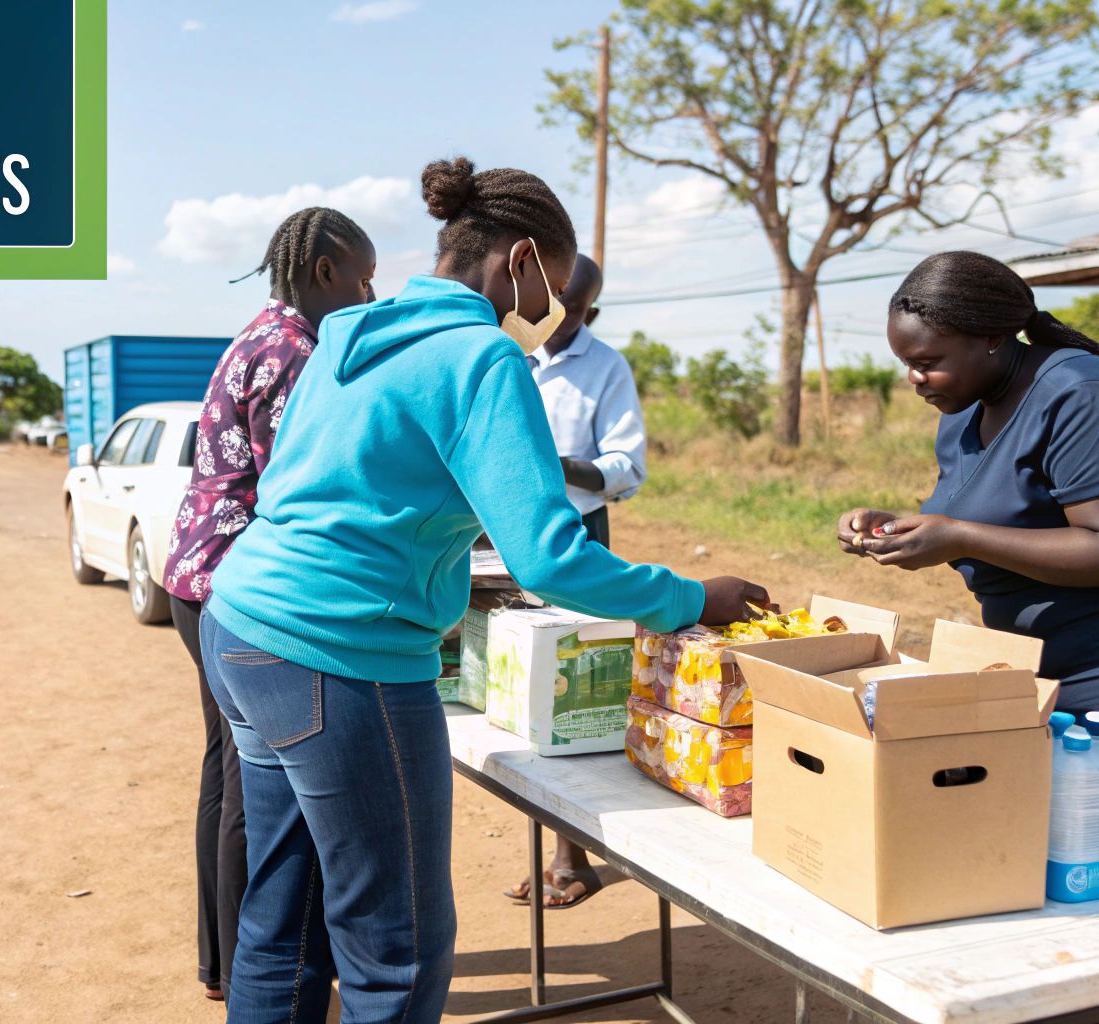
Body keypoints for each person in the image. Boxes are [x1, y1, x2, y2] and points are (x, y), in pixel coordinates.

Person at [198, 156, 769, 1023]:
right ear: (523, 262)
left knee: (284, 922)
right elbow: (549, 559)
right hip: (341, 659)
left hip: (243, 625)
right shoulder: (482, 359)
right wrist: (694, 597)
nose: (557, 313)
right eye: (560, 291)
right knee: (397, 951)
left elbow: (335, 491)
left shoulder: (347, 334)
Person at [836, 251, 1099, 1024]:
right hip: (1057, 655)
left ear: (991, 338)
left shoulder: (1084, 396)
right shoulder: (967, 412)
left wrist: (956, 532)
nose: (915, 381)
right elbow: (991, 515)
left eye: (927, 362)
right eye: (906, 365)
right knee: (1073, 853)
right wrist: (895, 525)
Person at [163, 207, 377, 1003]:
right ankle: (256, 963)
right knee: (261, 786)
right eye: (363, 277)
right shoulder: (297, 353)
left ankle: (223, 961)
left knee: (227, 767)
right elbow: (304, 481)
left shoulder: (259, 331)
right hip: (237, 584)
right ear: (325, 273)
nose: (369, 292)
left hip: (197, 572)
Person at [503, 253, 645, 911]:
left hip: (576, 538)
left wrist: (561, 466)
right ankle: (549, 842)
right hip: (496, 536)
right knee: (512, 691)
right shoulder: (503, 352)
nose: (561, 319)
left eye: (577, 309)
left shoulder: (604, 368)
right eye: (553, 303)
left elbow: (624, 464)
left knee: (572, 693)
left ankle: (572, 854)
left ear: (591, 311)